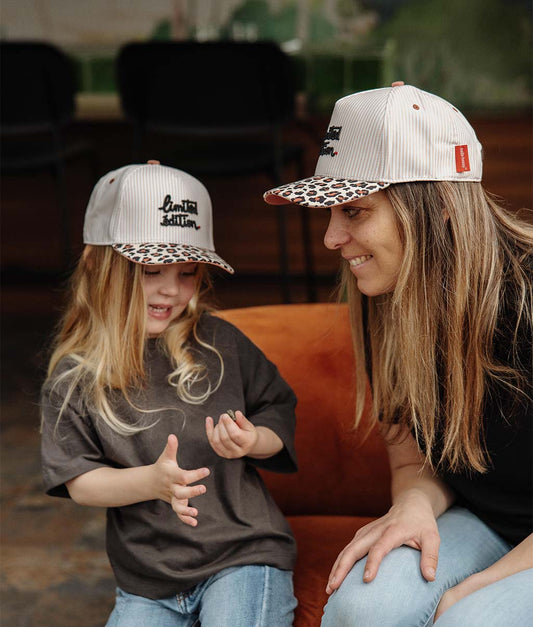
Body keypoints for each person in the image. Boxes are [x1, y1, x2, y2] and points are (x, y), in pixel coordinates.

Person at [264, 82, 532, 626]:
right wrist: (412, 501)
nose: (332, 239)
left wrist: (475, 593)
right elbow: (409, 446)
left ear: (436, 205)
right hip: (490, 521)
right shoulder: (389, 293)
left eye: (355, 212)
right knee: (364, 607)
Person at [41, 162, 298, 627]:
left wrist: (254, 440)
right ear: (99, 264)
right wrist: (151, 483)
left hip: (243, 556)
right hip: (147, 583)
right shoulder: (72, 377)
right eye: (151, 268)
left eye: (188, 272)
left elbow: (279, 408)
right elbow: (79, 481)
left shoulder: (220, 344)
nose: (170, 289)